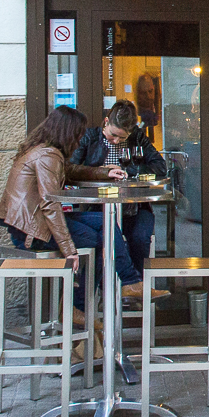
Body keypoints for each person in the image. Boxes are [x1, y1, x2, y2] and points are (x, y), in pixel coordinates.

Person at [0, 106, 124, 324]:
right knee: (99, 239)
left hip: (30, 225)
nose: (81, 137)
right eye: (79, 132)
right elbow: (50, 204)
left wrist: (105, 172)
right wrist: (69, 251)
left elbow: (71, 171)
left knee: (105, 223)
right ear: (69, 132)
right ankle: (77, 307)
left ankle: (128, 282)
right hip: (31, 232)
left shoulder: (44, 150)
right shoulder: (48, 155)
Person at [69, 99, 170, 299]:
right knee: (104, 237)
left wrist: (129, 170)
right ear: (106, 122)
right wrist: (101, 172)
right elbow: (71, 168)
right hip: (100, 207)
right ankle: (101, 294)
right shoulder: (90, 137)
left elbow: (160, 166)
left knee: (141, 238)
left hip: (133, 206)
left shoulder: (138, 138)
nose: (116, 141)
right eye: (113, 135)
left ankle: (136, 290)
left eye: (122, 138)